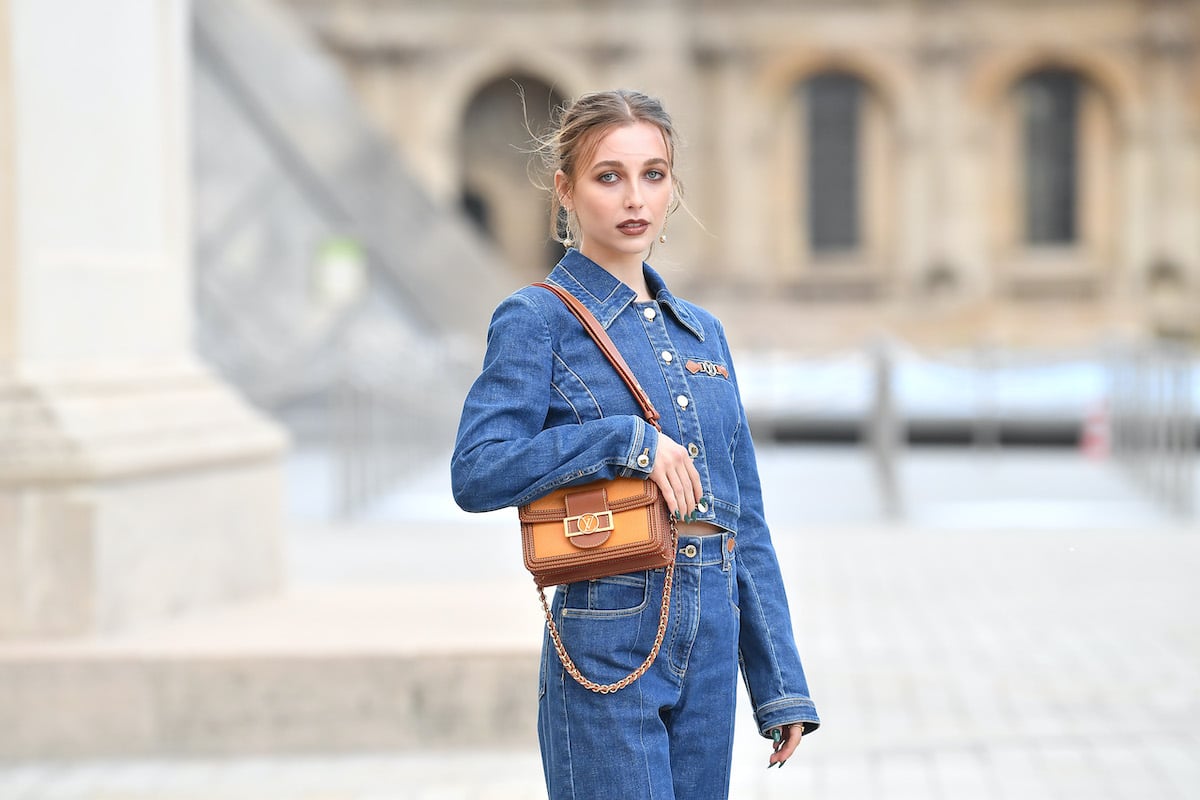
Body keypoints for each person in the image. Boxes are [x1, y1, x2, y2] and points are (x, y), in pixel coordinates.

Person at [451, 88, 819, 799]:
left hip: (713, 622)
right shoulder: (537, 319)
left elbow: (746, 519)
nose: (634, 199)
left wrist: (780, 684)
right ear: (565, 189)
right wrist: (622, 441)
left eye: (653, 174)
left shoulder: (701, 334)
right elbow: (478, 469)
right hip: (611, 620)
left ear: (673, 186)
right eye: (608, 176)